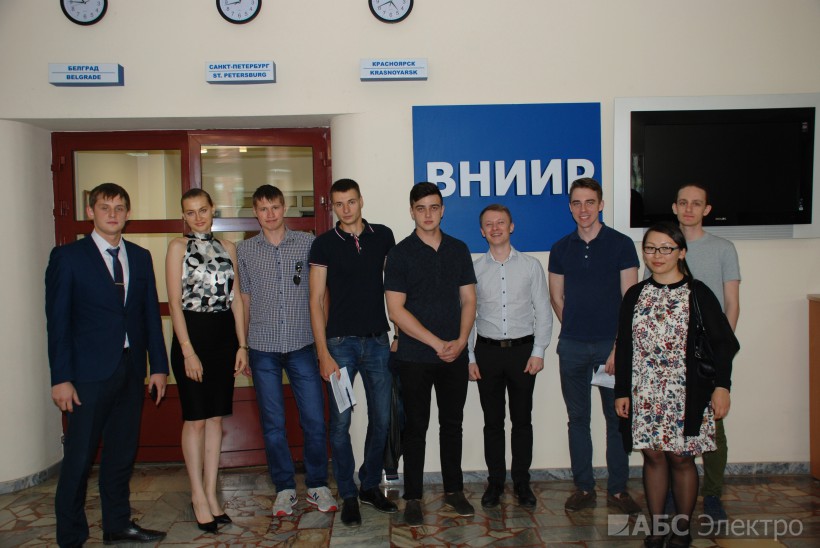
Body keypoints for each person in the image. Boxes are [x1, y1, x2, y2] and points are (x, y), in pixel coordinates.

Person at [46, 183, 169, 547]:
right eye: (105, 207)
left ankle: (117, 526)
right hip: (87, 376)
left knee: (121, 454)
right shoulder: (68, 257)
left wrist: (158, 367)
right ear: (91, 212)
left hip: (130, 370)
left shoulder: (140, 257)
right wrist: (61, 378)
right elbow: (58, 323)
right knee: (79, 458)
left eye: (119, 208)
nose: (112, 214)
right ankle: (71, 536)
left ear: (128, 213)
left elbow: (149, 316)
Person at [615, 222, 739, 548]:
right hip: (646, 392)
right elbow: (625, 346)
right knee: (654, 457)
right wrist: (622, 391)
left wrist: (722, 386)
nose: (657, 255)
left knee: (682, 459)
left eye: (666, 248)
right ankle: (657, 528)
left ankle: (682, 529)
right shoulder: (635, 295)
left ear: (681, 252)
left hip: (687, 393)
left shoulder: (698, 293)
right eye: (651, 248)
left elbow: (723, 344)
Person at [236, 184, 336, 518]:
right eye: (263, 209)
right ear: (255, 212)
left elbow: (321, 296)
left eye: (275, 207)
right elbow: (244, 300)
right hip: (262, 346)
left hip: (302, 344)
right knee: (273, 423)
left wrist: (323, 344)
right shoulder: (245, 251)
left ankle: (318, 484)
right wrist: (243, 346)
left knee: (314, 419)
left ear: (285, 207)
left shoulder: (308, 244)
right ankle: (284, 488)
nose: (270, 214)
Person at [384, 182, 477, 527]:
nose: (428, 214)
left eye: (434, 207)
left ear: (442, 210)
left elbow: (469, 299)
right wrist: (437, 343)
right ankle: (413, 497)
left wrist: (461, 340)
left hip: (455, 354)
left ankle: (454, 490)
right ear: (412, 211)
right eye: (421, 208)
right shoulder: (400, 254)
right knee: (416, 428)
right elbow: (396, 310)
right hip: (415, 357)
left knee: (452, 425)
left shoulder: (458, 249)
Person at [547, 177, 641, 514]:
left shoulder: (621, 244)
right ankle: (584, 487)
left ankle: (618, 490)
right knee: (577, 419)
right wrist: (573, 325)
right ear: (570, 207)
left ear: (600, 204)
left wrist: (618, 346)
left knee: (616, 419)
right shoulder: (560, 248)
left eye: (589, 202)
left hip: (610, 347)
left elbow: (630, 301)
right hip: (572, 346)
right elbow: (556, 297)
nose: (583, 209)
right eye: (576, 203)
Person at [308, 178, 398, 526]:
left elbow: (396, 288)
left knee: (383, 419)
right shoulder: (324, 244)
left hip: (377, 343)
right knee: (341, 423)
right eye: (339, 204)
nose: (346, 209)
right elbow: (316, 300)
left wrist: (399, 332)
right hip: (340, 347)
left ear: (361, 201)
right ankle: (348, 492)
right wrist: (323, 353)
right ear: (333, 207)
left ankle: (369, 485)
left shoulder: (383, 236)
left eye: (351, 202)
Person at [165, 189, 248, 532]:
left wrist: (242, 345)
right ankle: (197, 496)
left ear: (213, 209)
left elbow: (237, 300)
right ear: (183, 216)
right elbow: (174, 303)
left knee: (215, 419)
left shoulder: (229, 248)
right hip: (192, 337)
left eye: (203, 210)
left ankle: (212, 495)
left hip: (224, 339)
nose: (198, 217)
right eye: (190, 212)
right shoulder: (177, 247)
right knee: (196, 419)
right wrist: (188, 351)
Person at [467, 204, 553, 509]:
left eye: (500, 222)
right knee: (492, 423)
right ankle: (495, 482)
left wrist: (539, 351)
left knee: (522, 421)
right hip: (487, 353)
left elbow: (543, 310)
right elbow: (467, 316)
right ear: (482, 231)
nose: (495, 228)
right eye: (489, 224)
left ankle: (521, 482)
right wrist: (469, 357)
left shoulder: (531, 266)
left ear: (511, 226)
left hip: (522, 353)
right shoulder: (474, 269)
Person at [673, 183, 741, 521]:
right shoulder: (665, 245)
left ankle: (712, 494)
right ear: (675, 207)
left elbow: (732, 304)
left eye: (696, 203)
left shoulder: (723, 249)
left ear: (706, 209)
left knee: (714, 428)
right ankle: (672, 492)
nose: (689, 209)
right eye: (683, 203)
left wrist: (720, 350)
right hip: (671, 356)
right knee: (671, 426)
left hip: (708, 354)